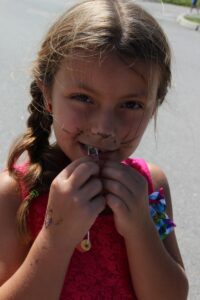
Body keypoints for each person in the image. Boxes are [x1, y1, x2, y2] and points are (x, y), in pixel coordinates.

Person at [0, 0, 188, 299]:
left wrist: (141, 226)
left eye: (131, 105)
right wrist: (57, 236)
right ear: (48, 95)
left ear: (153, 108)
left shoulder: (150, 187)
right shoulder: (15, 192)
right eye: (83, 98)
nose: (104, 127)